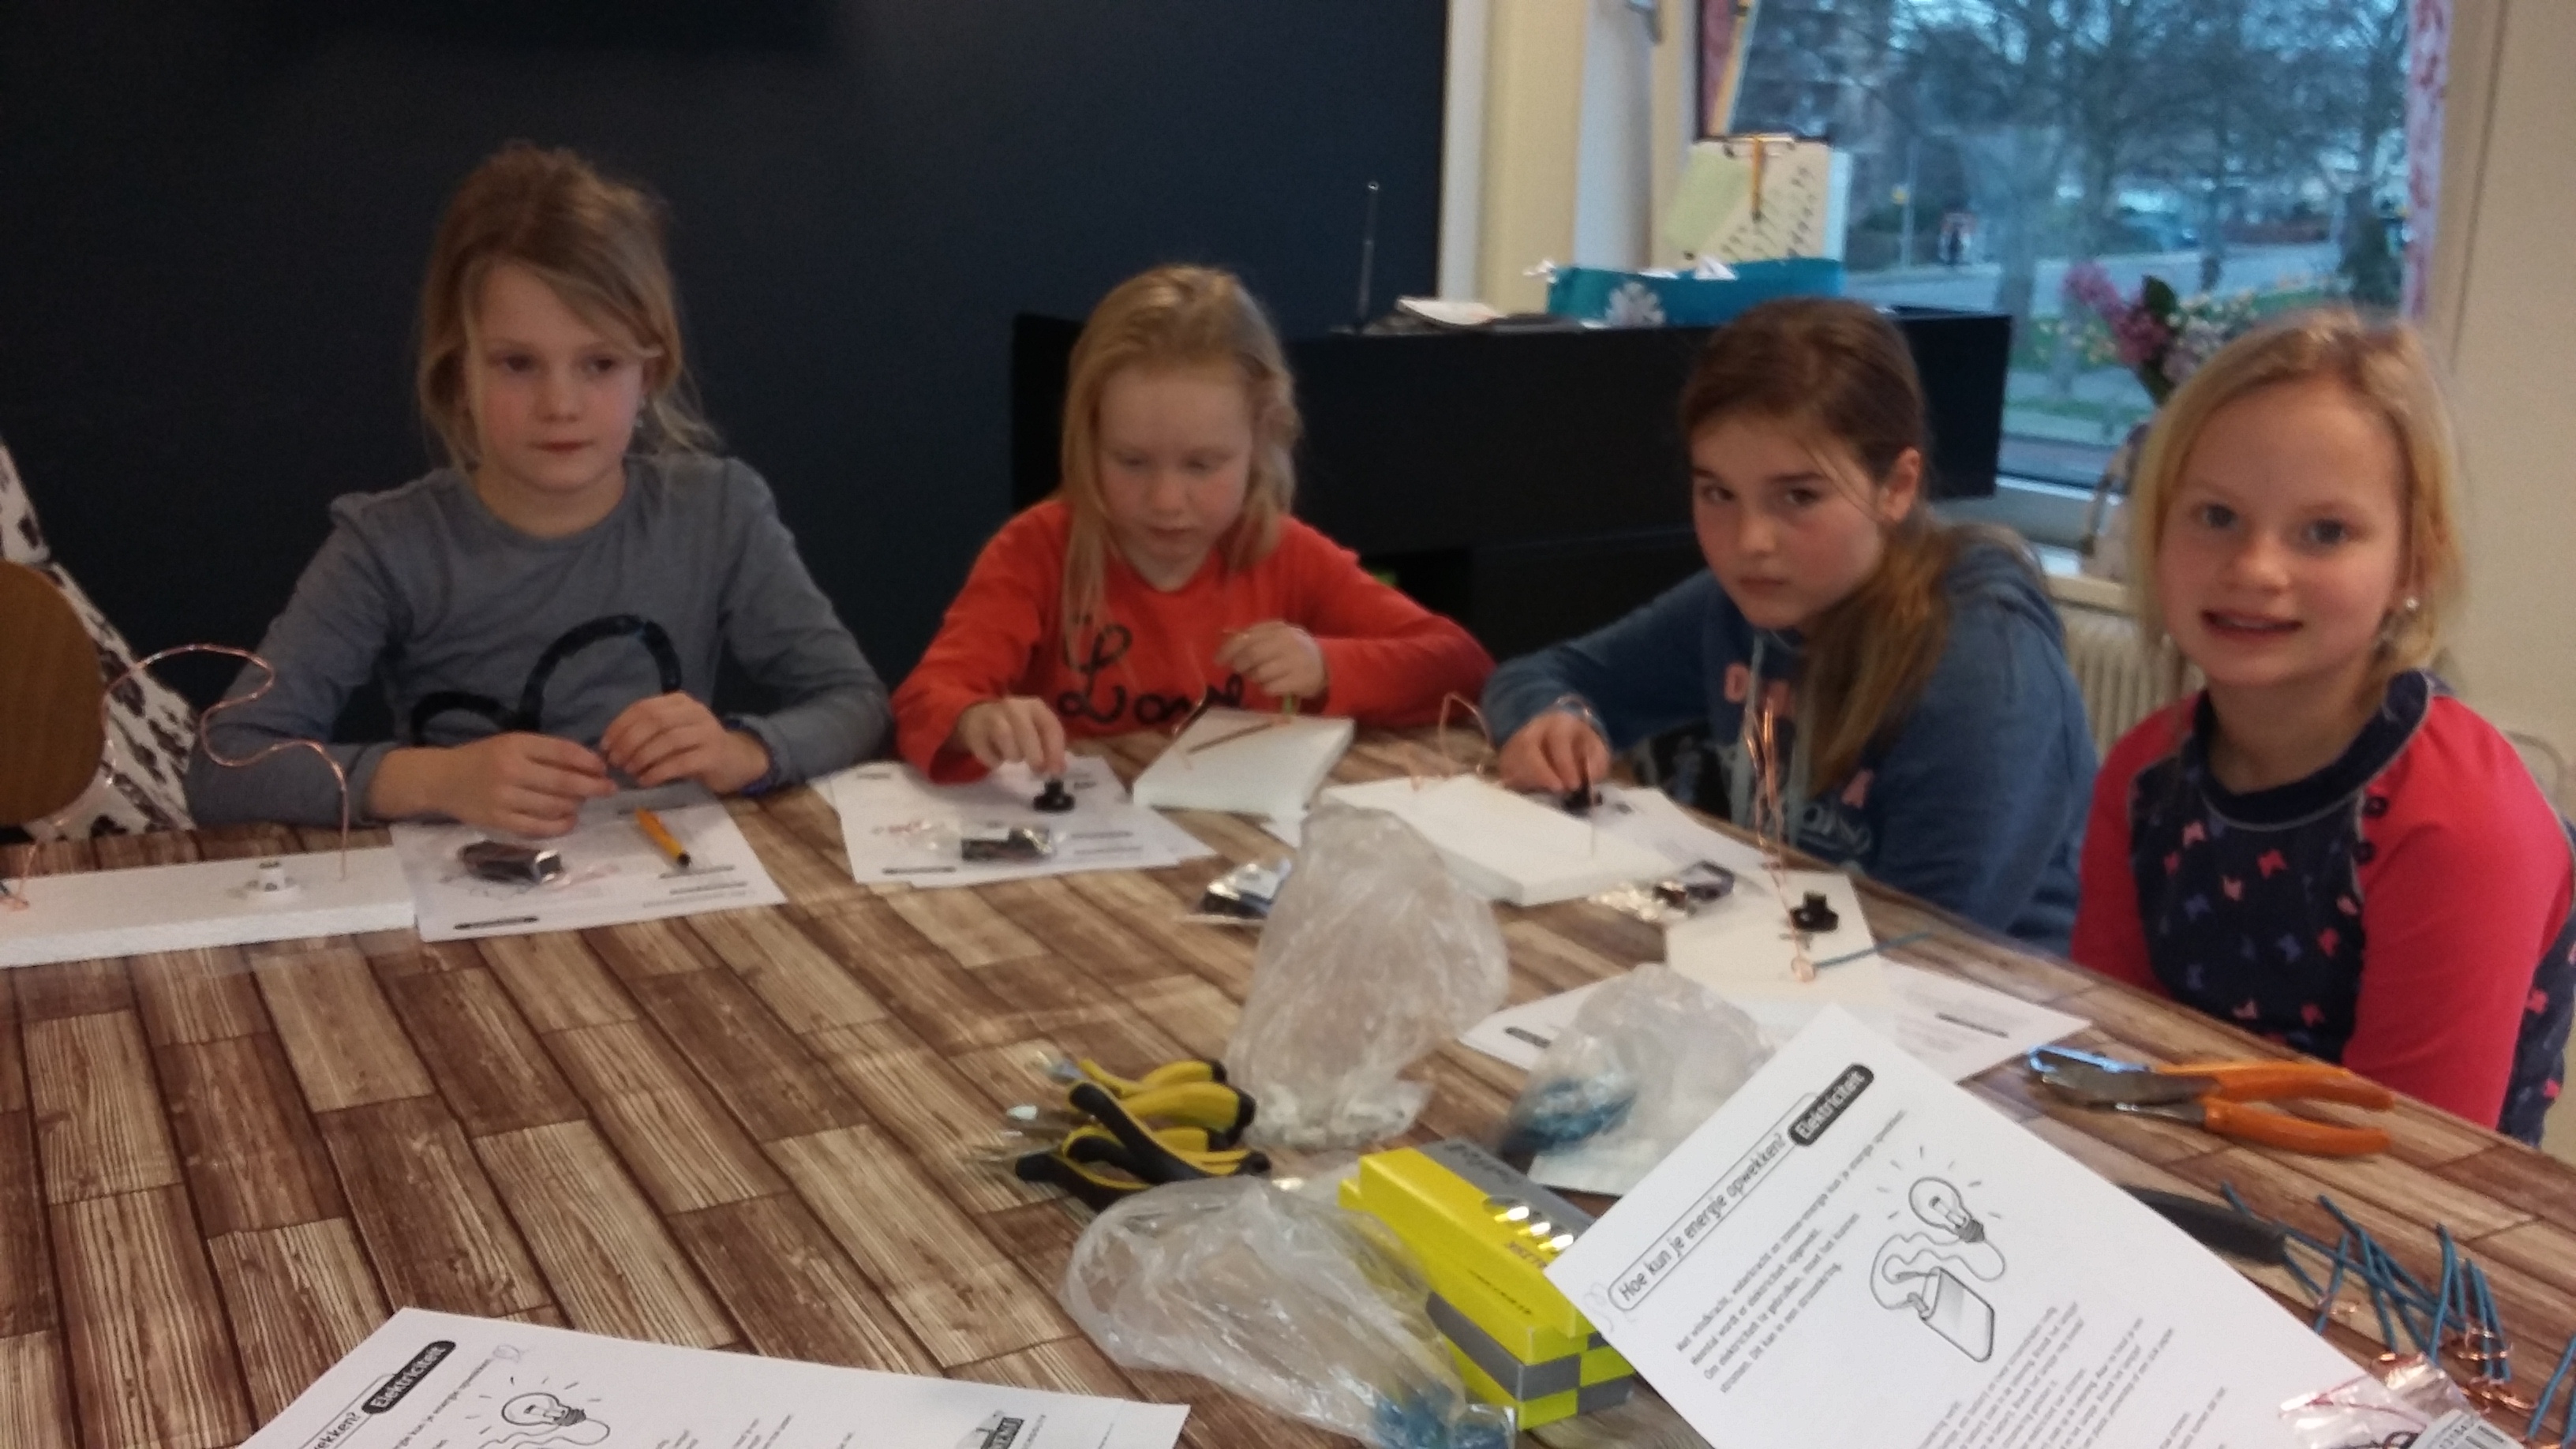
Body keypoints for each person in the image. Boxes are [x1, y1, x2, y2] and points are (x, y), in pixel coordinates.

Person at [189, 143, 887, 835]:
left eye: (600, 364)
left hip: (676, 873)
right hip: (466, 884)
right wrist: (437, 779)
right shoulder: (387, 546)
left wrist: (744, 752)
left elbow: (855, 701)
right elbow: (226, 765)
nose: (560, 405)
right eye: (518, 364)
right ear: (459, 375)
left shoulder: (718, 513)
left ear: (649, 372)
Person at [2070, 309, 2574, 1144]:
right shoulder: (2142, 774)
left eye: (2326, 532)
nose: (2256, 568)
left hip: (2389, 1213)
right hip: (2169, 1180)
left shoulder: (2459, 824)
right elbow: (2103, 1061)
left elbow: (2403, 1153)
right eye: (2216, 516)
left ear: (2415, 566)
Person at [1484, 298, 2095, 948]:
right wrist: (1554, 718)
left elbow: (1924, 944)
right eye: (1718, 493)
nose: (1750, 542)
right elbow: (1541, 674)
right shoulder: (1741, 606)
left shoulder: (1984, 669)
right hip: (1791, 954)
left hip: (1967, 993)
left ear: (1896, 487)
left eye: (1799, 496)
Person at [893, 264, 1492, 781]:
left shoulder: (1282, 553)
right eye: (1131, 461)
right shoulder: (1037, 551)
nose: (1166, 501)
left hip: (1242, 841)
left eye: (1202, 465)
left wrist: (1326, 665)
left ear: (1262, 442)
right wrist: (976, 719)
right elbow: (924, 699)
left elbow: (1461, 667)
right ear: (1087, 440)